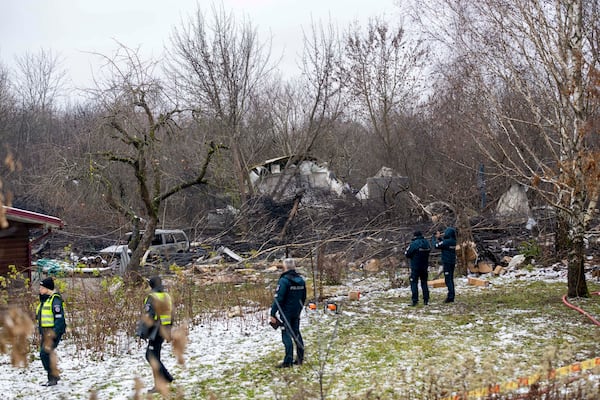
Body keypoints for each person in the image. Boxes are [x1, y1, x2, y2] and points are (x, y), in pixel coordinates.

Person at [270, 258, 306, 368]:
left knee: (286, 334)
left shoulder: (284, 281)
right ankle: (300, 358)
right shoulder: (301, 280)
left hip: (285, 312)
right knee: (296, 333)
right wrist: (299, 308)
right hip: (296, 311)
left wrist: (273, 313)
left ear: (285, 267)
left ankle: (288, 361)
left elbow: (278, 298)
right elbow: (304, 297)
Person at [143, 276, 174, 393]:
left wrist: (144, 332)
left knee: (151, 356)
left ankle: (163, 381)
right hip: (164, 330)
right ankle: (165, 379)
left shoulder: (151, 297)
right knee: (155, 356)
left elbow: (149, 316)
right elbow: (171, 315)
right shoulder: (166, 296)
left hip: (155, 331)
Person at [36, 276, 66, 386]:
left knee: (45, 353)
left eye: (41, 287)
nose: (39, 289)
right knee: (45, 354)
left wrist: (54, 333)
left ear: (47, 288)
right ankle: (53, 376)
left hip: (52, 332)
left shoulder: (55, 300)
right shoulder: (44, 300)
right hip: (45, 332)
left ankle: (53, 378)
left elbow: (59, 319)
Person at [405, 231, 431, 306]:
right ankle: (426, 300)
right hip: (424, 266)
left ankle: (415, 300)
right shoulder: (426, 243)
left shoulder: (414, 244)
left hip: (415, 267)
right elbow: (429, 251)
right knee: (424, 283)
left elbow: (407, 253)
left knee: (414, 283)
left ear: (414, 236)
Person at [434, 227, 457, 303]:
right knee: (450, 279)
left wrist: (434, 239)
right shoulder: (453, 241)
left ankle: (450, 297)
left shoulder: (447, 242)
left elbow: (436, 245)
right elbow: (443, 243)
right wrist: (440, 238)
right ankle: (452, 295)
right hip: (452, 262)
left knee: (448, 280)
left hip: (447, 262)